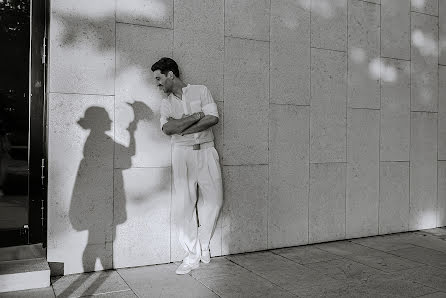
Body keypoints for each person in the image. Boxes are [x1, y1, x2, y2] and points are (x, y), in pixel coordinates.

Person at [151, 57, 223, 275]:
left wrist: (183, 126)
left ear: (170, 74)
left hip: (207, 151)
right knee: (185, 205)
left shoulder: (201, 91)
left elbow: (213, 119)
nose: (157, 84)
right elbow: (167, 130)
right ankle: (191, 255)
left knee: (215, 199)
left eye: (159, 78)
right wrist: (195, 116)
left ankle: (203, 243)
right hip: (181, 155)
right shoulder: (166, 103)